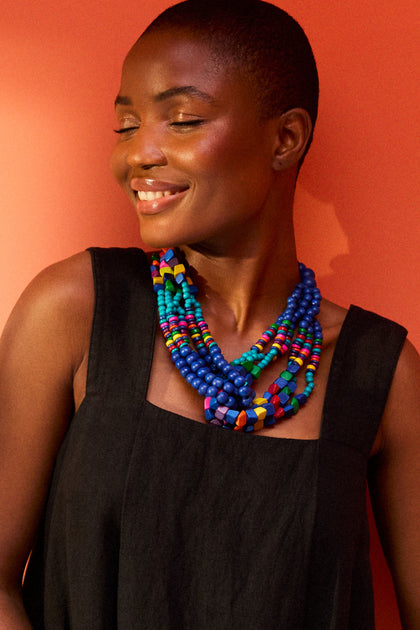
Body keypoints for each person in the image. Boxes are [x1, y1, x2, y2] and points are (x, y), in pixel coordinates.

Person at [0, 0, 419, 628]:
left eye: (183, 119)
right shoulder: (75, 309)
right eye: (125, 125)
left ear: (286, 138)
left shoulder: (380, 374)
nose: (139, 154)